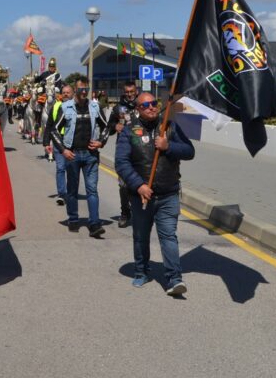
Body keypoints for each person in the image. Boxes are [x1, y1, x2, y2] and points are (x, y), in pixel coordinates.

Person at [115, 92, 195, 296]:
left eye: (154, 103)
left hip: (168, 193)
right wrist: (139, 185)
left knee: (168, 235)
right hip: (142, 196)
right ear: (138, 109)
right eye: (146, 105)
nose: (151, 107)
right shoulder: (129, 131)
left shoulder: (170, 127)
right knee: (141, 236)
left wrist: (169, 146)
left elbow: (189, 151)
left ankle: (174, 279)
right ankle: (141, 271)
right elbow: (121, 163)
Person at [48, 76, 109, 237]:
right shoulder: (66, 107)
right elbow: (54, 130)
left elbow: (106, 127)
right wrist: (63, 150)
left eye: (86, 89)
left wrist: (101, 142)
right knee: (72, 190)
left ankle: (94, 224)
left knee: (92, 190)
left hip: (90, 155)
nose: (84, 92)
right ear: (76, 90)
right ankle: (73, 219)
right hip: (72, 154)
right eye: (81, 89)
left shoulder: (95, 107)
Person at [106, 81, 141, 228]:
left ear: (136, 91)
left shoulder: (143, 105)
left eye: (132, 91)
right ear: (124, 92)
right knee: (124, 185)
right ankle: (125, 214)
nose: (130, 94)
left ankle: (140, 213)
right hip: (124, 151)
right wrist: (115, 126)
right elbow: (109, 127)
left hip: (141, 150)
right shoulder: (117, 108)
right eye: (127, 92)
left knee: (141, 182)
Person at [43, 84, 73, 206]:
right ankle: (62, 194)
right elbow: (49, 125)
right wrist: (46, 142)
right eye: (64, 92)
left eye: (68, 92)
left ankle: (71, 193)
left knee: (71, 170)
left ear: (72, 93)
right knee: (60, 168)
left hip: (72, 142)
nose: (65, 94)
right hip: (58, 141)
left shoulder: (77, 106)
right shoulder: (55, 106)